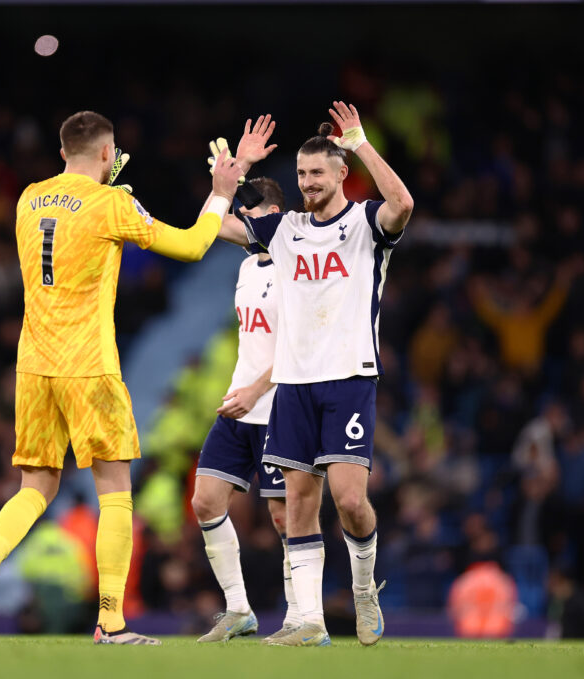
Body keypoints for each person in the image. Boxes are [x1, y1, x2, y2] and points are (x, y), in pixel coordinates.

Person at [0, 110, 244, 645]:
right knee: (115, 492)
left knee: (36, 487)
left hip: (33, 364)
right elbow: (190, 246)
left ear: (62, 151)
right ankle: (111, 620)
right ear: (109, 155)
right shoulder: (111, 202)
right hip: (88, 364)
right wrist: (221, 192)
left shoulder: (27, 197)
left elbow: (67, 223)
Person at [219, 102, 414, 646]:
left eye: (317, 174)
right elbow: (217, 226)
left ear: (341, 174)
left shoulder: (365, 223)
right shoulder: (284, 229)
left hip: (350, 376)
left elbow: (403, 203)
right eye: (302, 174)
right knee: (299, 505)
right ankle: (307, 621)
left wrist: (360, 142)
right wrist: (234, 170)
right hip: (295, 383)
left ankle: (363, 588)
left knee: (351, 500)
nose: (307, 183)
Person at [192, 173, 316, 644]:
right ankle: (238, 610)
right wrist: (224, 181)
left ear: (272, 216)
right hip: (239, 406)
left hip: (279, 406)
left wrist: (256, 390)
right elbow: (212, 223)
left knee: (286, 519)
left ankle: (299, 618)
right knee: (205, 501)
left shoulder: (298, 265)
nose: (238, 226)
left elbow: (298, 344)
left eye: (247, 216)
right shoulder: (247, 269)